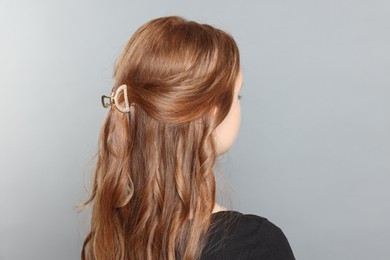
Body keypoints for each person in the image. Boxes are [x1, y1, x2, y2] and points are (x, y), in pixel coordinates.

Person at [81, 16, 295, 260]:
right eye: (238, 96)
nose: (239, 106)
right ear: (212, 111)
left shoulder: (116, 234)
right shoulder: (255, 244)